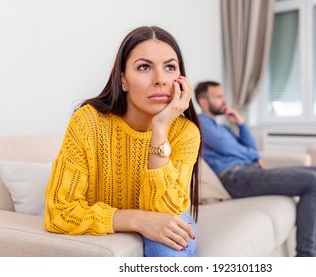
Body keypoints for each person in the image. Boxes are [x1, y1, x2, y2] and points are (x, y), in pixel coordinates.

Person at [44, 26, 201, 257]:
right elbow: (60, 213)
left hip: (171, 223)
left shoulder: (185, 132)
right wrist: (137, 219)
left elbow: (168, 213)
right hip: (135, 227)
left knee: (166, 242)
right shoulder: (88, 122)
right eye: (144, 67)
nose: (160, 80)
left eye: (169, 67)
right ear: (123, 80)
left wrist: (160, 128)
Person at [194, 81, 316, 257]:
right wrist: (254, 156)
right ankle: (306, 254)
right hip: (234, 177)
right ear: (204, 102)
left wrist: (241, 124)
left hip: (248, 171)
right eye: (218, 97)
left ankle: (315, 244)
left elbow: (250, 146)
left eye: (223, 96)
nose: (224, 101)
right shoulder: (200, 123)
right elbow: (227, 148)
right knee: (312, 181)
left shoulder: (222, 127)